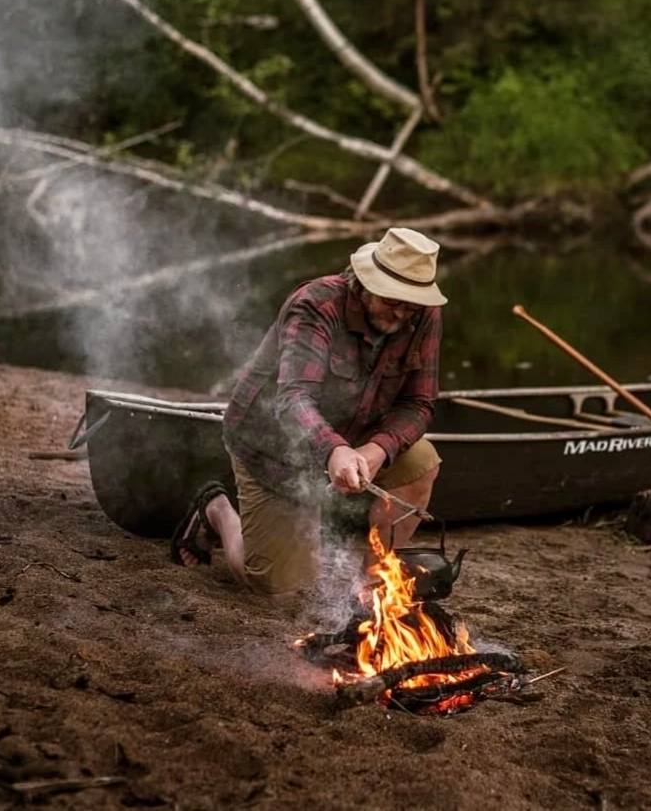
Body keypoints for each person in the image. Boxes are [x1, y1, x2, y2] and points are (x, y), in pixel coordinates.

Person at [170, 226, 446, 597]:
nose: (401, 314)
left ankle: (367, 584)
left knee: (423, 461)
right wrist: (334, 450)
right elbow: (294, 398)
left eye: (410, 304)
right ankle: (215, 508)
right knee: (273, 583)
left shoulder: (422, 314)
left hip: (354, 435)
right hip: (272, 442)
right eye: (392, 301)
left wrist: (374, 451)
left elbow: (419, 403)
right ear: (366, 283)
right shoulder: (317, 305)